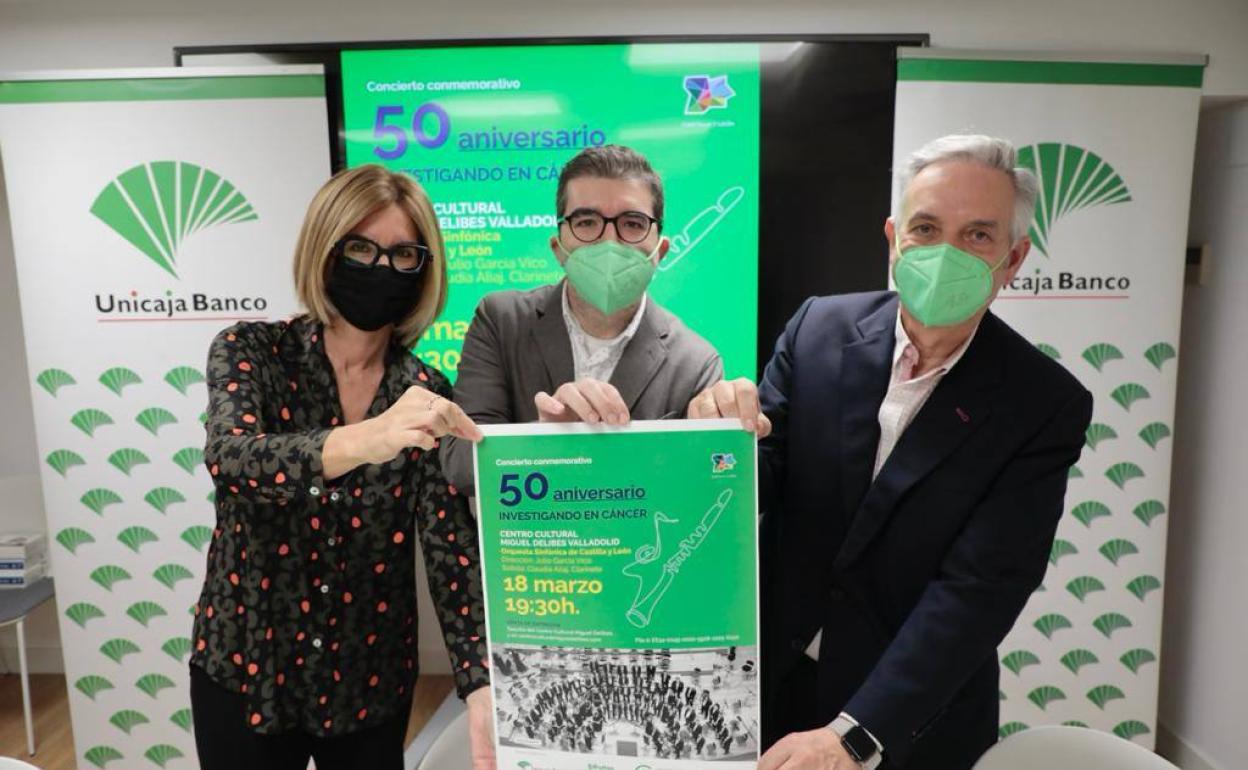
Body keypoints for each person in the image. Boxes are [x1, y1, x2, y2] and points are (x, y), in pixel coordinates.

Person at [689, 134, 1094, 769]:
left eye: (978, 236)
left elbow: (978, 589)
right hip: (766, 686)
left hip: (904, 722)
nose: (945, 253)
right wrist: (713, 438)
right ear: (893, 237)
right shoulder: (819, 328)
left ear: (1013, 259)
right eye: (926, 227)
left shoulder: (1041, 403)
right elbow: (749, 486)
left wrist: (857, 734)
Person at [189, 164, 491, 770]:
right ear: (324, 249)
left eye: (404, 255)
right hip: (246, 669)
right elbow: (234, 461)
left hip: (367, 684)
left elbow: (450, 552)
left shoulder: (426, 392)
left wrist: (480, 683)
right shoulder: (251, 351)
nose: (382, 269)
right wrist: (367, 438)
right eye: (360, 248)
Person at [441, 144, 723, 495]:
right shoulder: (500, 321)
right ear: (559, 247)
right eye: (586, 222)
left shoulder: (696, 362)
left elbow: (702, 488)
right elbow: (461, 464)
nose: (609, 241)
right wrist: (544, 441)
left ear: (659, 252)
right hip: (534, 550)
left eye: (632, 224)